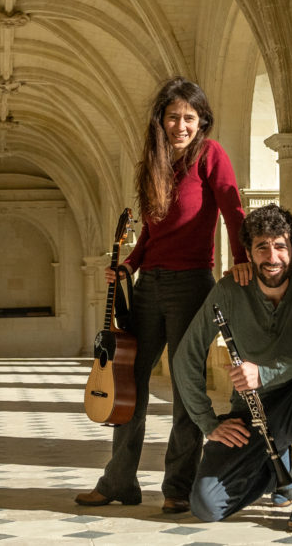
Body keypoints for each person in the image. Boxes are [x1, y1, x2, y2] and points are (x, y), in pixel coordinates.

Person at [75, 77, 250, 514]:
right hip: (149, 285)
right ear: (161, 120)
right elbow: (150, 234)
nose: (181, 125)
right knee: (127, 383)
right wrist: (128, 266)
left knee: (186, 386)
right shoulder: (151, 165)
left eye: (189, 118)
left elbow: (233, 208)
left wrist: (243, 257)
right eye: (173, 116)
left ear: (201, 121)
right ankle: (119, 482)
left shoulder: (211, 156)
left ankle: (177, 487)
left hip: (192, 284)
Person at [173, 204, 292, 532]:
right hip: (252, 413)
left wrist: (266, 372)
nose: (273, 257)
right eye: (262, 247)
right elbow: (186, 356)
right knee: (206, 505)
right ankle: (276, 469)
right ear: (249, 253)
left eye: (281, 246)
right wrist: (207, 422)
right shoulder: (229, 289)